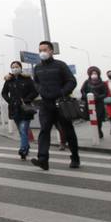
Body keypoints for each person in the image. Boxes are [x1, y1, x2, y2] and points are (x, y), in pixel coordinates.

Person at [30, 40, 80, 170]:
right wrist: (40, 90)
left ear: (51, 51)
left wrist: (62, 92)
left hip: (61, 103)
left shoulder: (60, 65)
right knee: (44, 131)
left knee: (68, 131)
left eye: (45, 50)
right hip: (46, 105)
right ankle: (43, 159)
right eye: (40, 50)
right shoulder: (38, 67)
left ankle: (75, 157)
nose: (42, 52)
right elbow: (35, 82)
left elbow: (71, 81)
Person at [1, 61, 39, 159]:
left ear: (21, 68)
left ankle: (23, 150)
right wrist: (9, 101)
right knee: (22, 130)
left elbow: (35, 92)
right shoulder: (9, 80)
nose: (15, 68)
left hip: (25, 108)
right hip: (14, 109)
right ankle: (26, 147)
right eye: (13, 67)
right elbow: (4, 93)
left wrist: (26, 99)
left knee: (23, 129)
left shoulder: (27, 79)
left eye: (16, 66)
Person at [79, 66, 110, 139]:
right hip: (89, 103)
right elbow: (82, 90)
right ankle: (95, 131)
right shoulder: (87, 82)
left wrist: (98, 97)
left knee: (98, 118)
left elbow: (105, 93)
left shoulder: (102, 83)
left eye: (95, 73)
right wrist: (86, 96)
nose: (94, 74)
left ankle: (99, 130)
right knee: (92, 118)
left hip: (99, 103)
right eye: (92, 73)